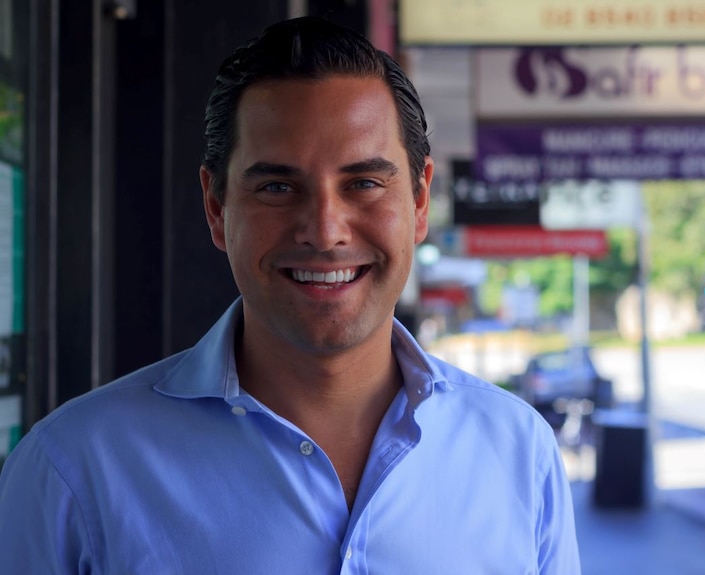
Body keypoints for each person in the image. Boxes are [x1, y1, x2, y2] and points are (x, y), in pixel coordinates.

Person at [0, 16, 580, 574]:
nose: (325, 230)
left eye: (364, 183)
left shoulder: (519, 451)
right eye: (277, 186)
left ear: (421, 200)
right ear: (216, 207)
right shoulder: (73, 472)